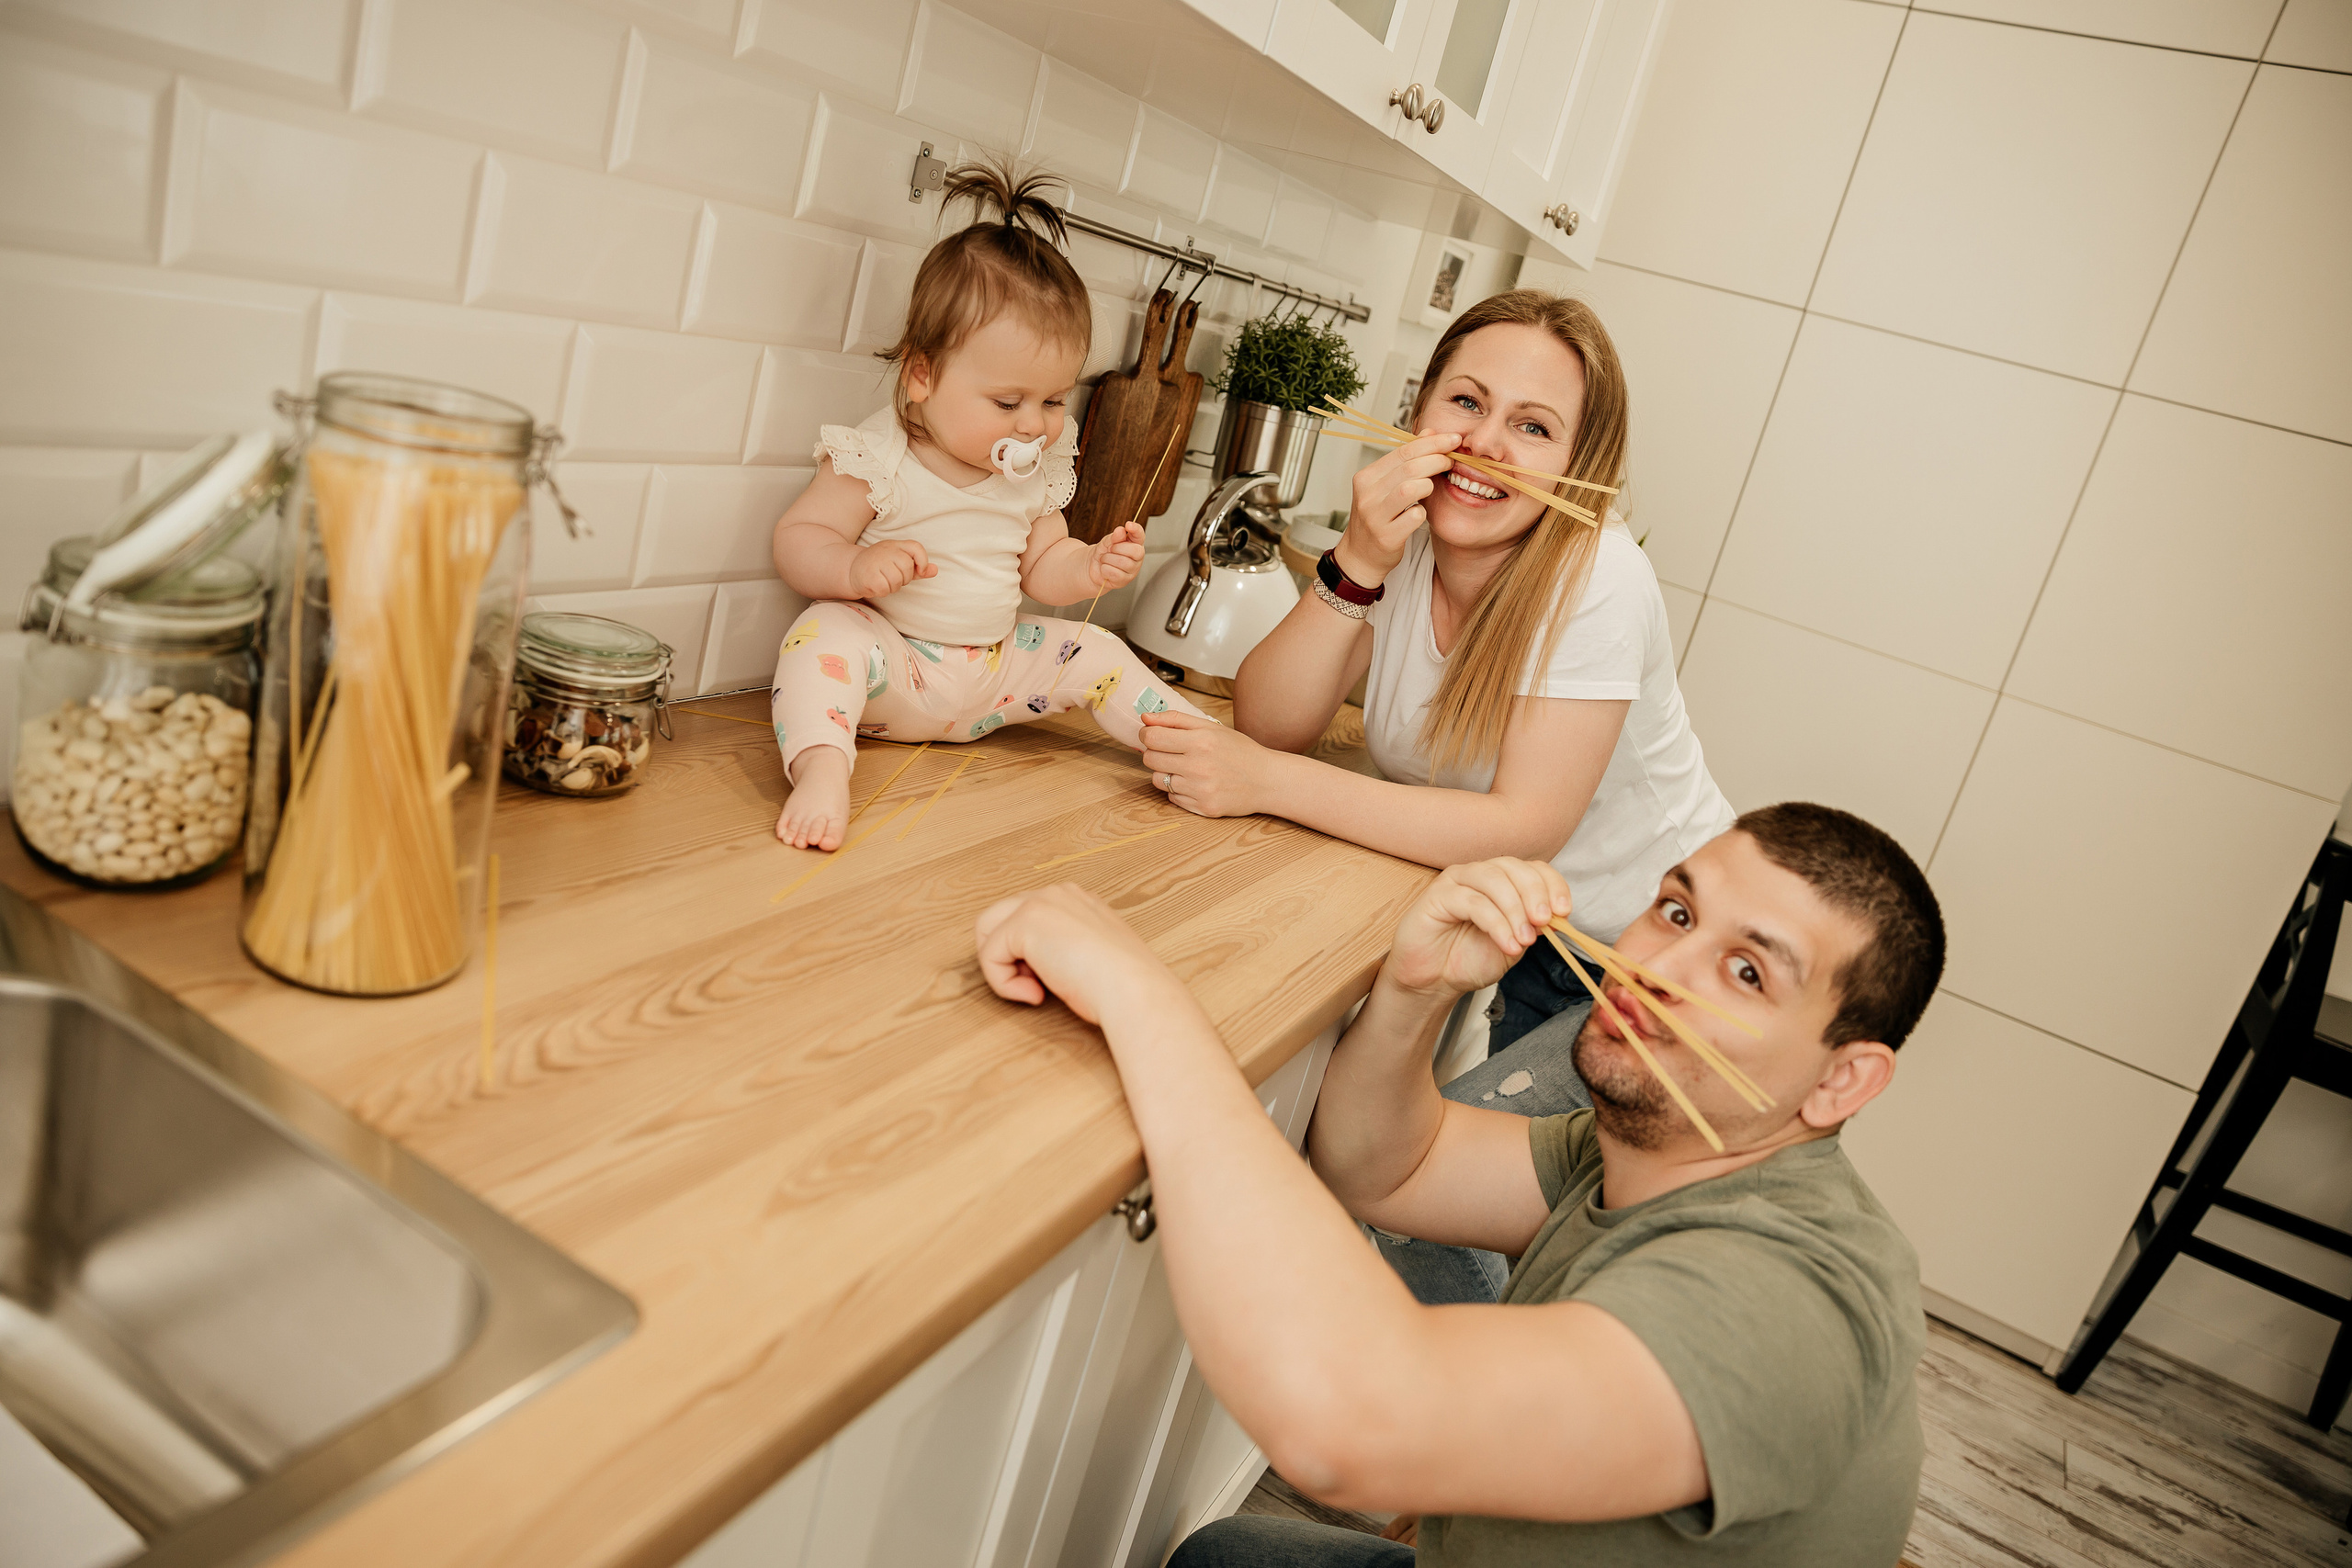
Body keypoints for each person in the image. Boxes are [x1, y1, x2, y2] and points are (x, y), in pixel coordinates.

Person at [974, 802, 1944, 1566]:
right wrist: (1417, 989)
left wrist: (1140, 995)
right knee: (1226, 1555)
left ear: (1840, 1081)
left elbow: (1343, 1420)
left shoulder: (1784, 1301)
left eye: (1743, 972)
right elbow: (1389, 1168)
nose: (1657, 968)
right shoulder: (1658, 1153)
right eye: (1677, 912)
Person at [1137, 291, 1732, 1055]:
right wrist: (1356, 560)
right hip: (1519, 924)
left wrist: (1265, 782)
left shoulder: (1600, 576)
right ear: (1419, 411)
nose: (1484, 443)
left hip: (1641, 958)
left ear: (1580, 467)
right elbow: (1269, 723)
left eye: (1532, 426)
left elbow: (1522, 828)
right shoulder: (1406, 534)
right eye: (1466, 401)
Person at [766, 158, 1208, 851]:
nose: (1034, 424)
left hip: (998, 674)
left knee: (1097, 647)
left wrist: (1089, 566)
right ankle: (822, 770)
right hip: (897, 672)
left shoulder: (1034, 473)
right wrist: (853, 568)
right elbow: (799, 536)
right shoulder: (880, 456)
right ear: (922, 375)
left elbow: (1042, 569)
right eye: (1009, 403)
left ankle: (1196, 746)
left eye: (1055, 401)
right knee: (822, 632)